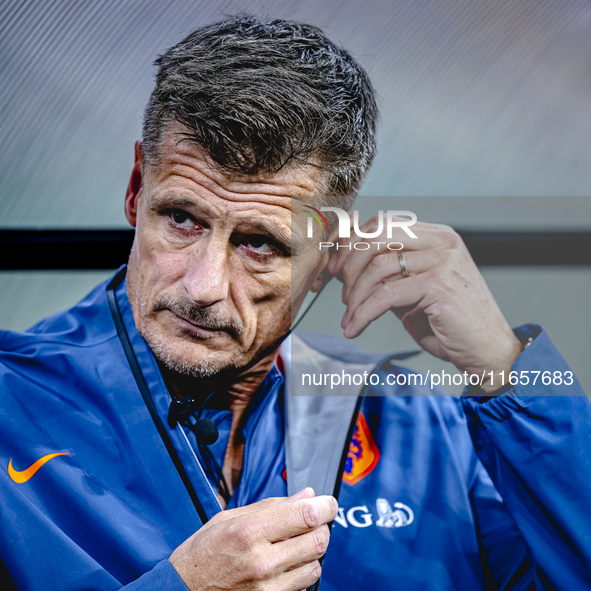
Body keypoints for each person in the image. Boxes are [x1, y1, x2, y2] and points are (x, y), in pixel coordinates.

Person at [0, 14, 589, 591]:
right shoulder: (10, 411)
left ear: (330, 252)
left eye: (259, 244)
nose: (202, 286)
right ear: (136, 191)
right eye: (181, 218)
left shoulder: (425, 430)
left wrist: (509, 369)